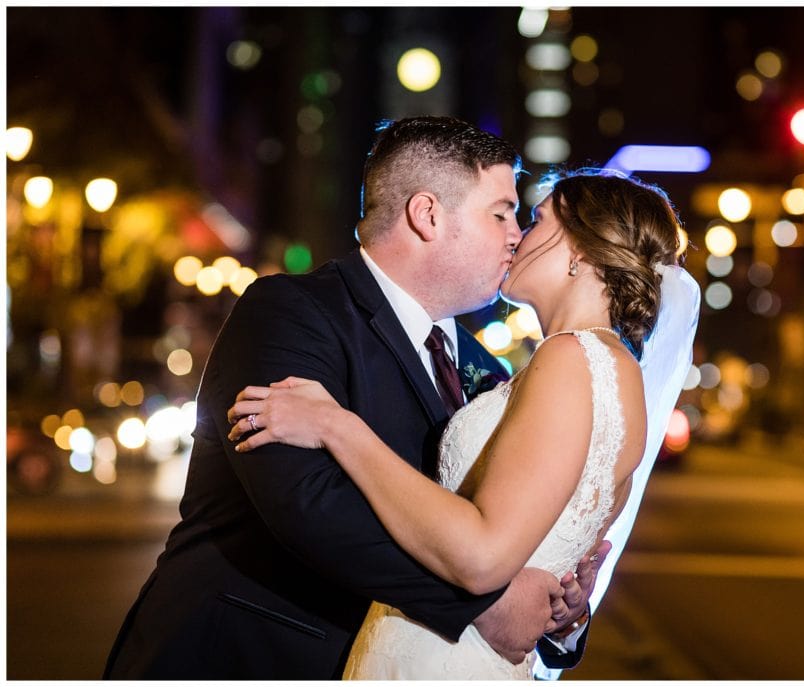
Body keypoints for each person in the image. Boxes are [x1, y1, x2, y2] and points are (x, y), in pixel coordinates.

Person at [103, 117, 601, 680]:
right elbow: (307, 501)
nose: (516, 234)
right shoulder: (290, 312)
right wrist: (481, 604)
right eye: (501, 212)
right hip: (255, 654)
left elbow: (486, 517)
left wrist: (557, 607)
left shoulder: (488, 367)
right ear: (428, 214)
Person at [227, 168, 697, 679]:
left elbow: (482, 555)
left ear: (581, 252)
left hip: (438, 659)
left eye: (534, 220)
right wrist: (568, 613)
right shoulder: (609, 376)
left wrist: (337, 426)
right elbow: (557, 559)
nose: (518, 234)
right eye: (504, 215)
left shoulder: (568, 359)